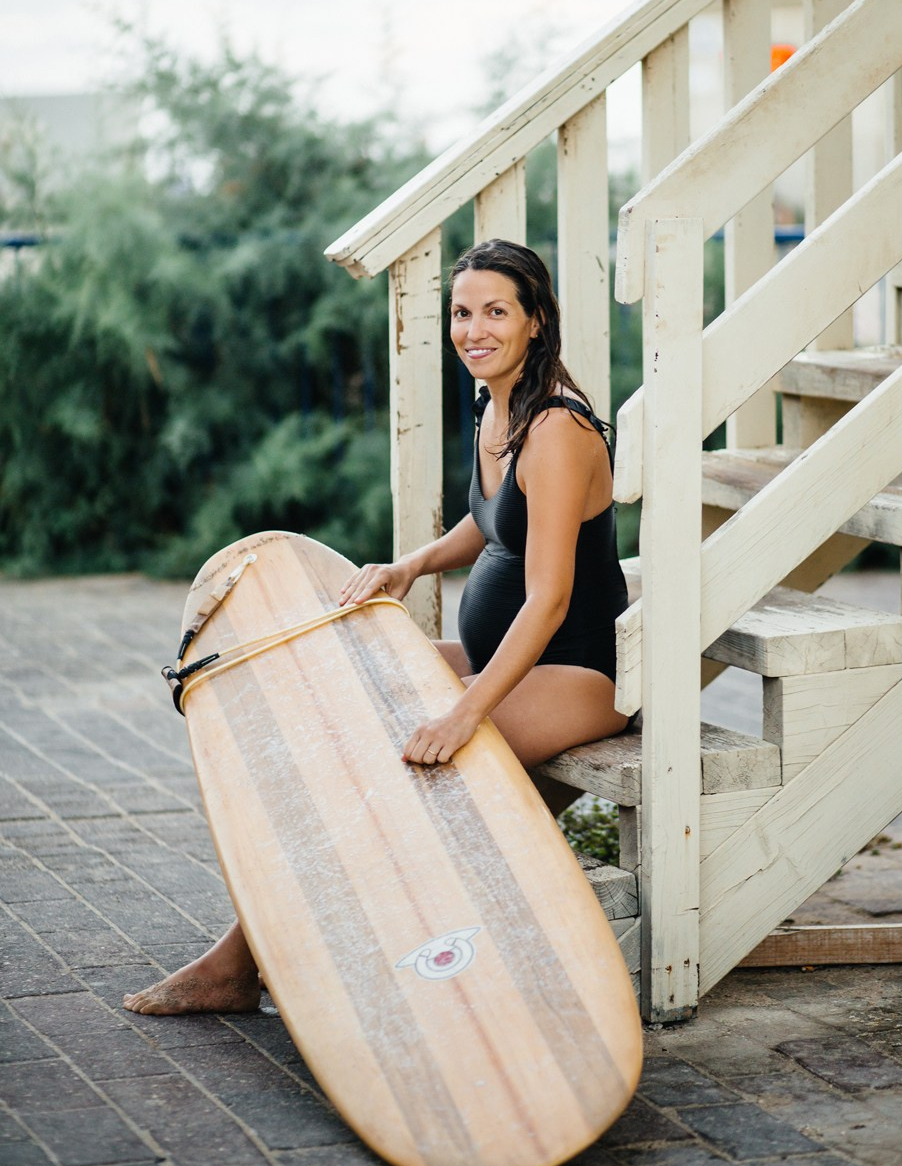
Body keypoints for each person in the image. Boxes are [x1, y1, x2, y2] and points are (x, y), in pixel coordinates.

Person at [123, 238, 629, 1016]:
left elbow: (549, 601)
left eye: (497, 311)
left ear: (537, 320)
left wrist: (465, 711)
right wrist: (411, 566)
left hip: (576, 671)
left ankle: (239, 962)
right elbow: (492, 519)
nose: (474, 330)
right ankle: (260, 953)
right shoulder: (499, 401)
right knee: (345, 676)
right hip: (510, 657)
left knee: (381, 774)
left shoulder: (557, 430)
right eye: (462, 313)